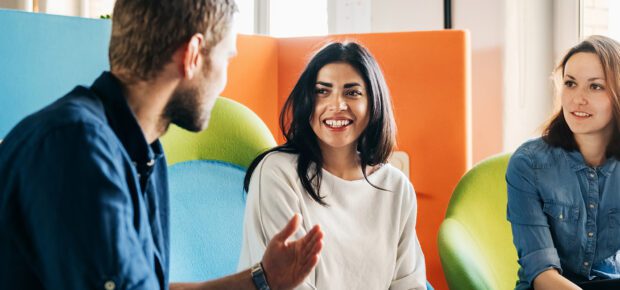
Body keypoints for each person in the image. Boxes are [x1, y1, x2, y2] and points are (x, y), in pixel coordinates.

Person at [0, 1, 324, 289]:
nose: (225, 79)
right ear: (193, 56)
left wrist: (261, 280)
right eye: (227, 58)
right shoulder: (75, 149)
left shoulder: (143, 152)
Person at [237, 42, 427, 289]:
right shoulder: (276, 173)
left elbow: (409, 284)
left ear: (373, 103)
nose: (337, 105)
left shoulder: (396, 187)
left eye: (352, 92)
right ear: (307, 101)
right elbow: (286, 285)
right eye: (322, 91)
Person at [507, 35, 620, 290]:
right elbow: (542, 275)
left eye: (595, 86)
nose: (577, 99)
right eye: (570, 84)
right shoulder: (528, 164)